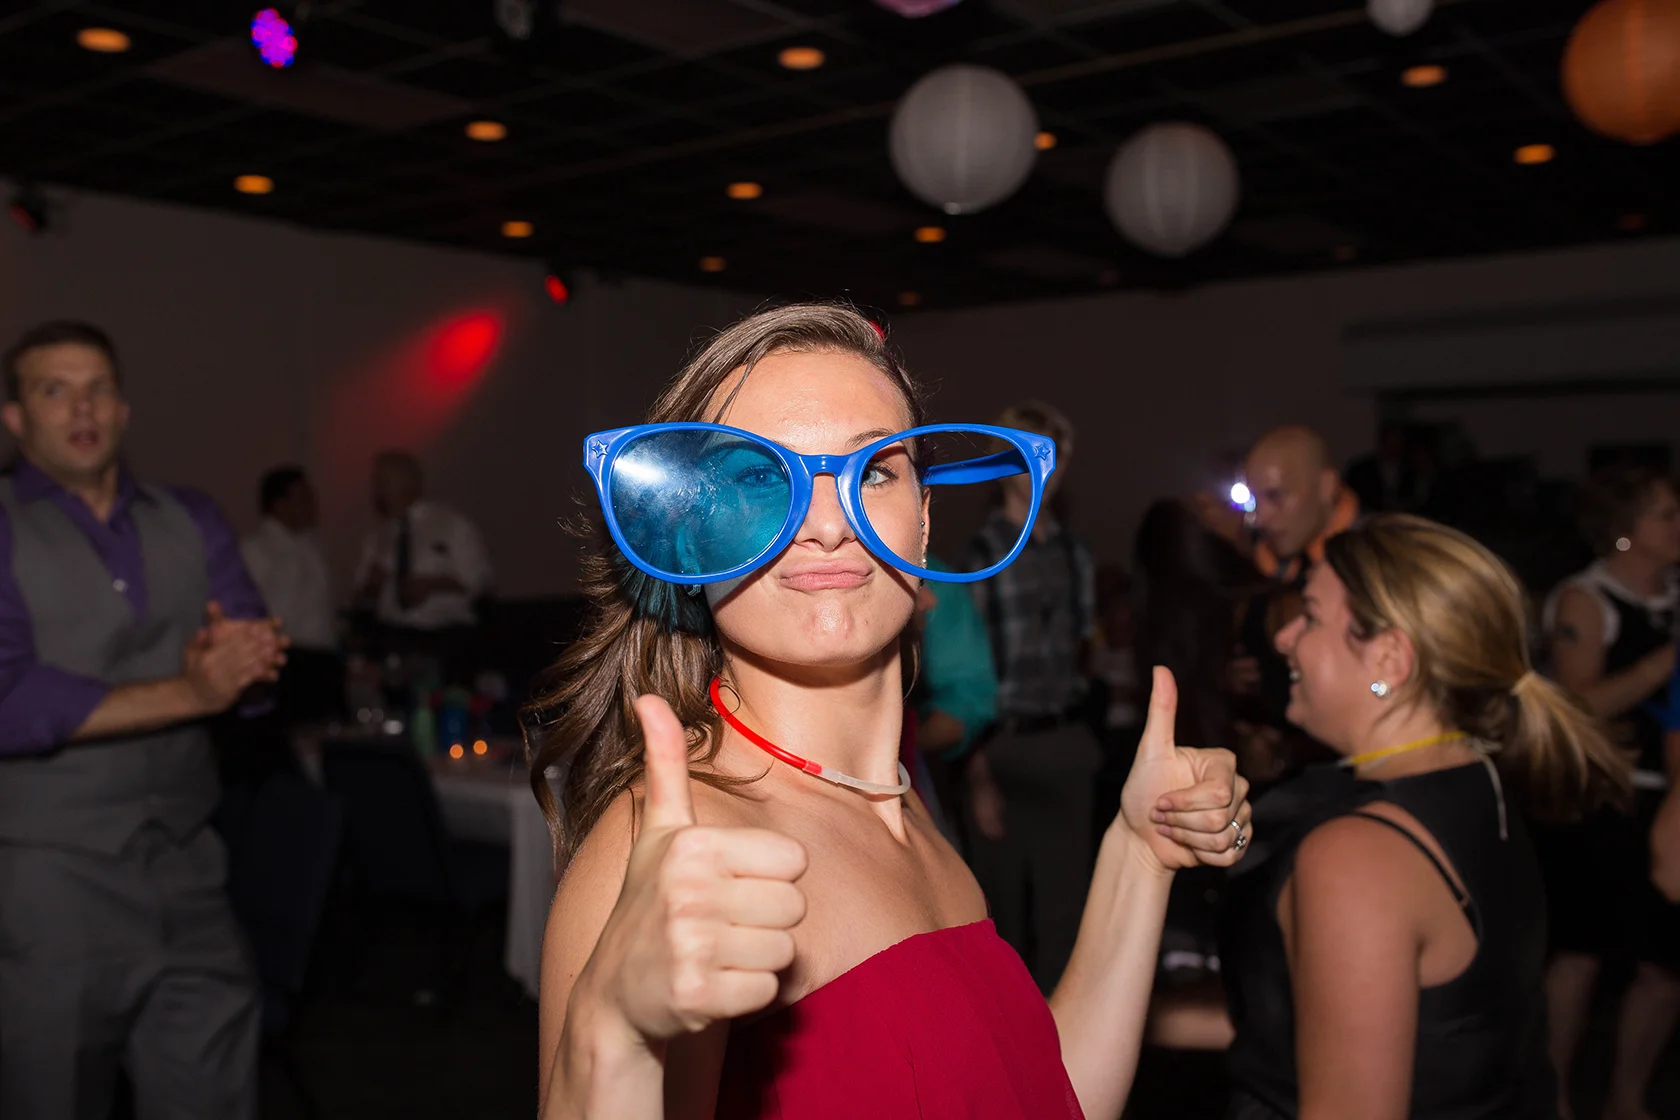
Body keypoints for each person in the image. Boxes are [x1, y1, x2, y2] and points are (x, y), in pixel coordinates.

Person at [527, 303, 1251, 1120]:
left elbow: (1036, 1096)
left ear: (924, 520)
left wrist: (1140, 854)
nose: (828, 522)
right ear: (692, 539)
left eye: (873, 470)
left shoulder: (900, 809)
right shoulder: (671, 845)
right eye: (761, 477)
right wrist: (613, 1036)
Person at [1213, 513, 1631, 1118]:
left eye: (1310, 616)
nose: (1284, 639)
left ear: (1388, 659)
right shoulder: (1480, 785)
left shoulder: (1358, 855)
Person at [0, 320, 287, 1119]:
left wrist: (246, 665)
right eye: (54, 390)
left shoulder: (189, 515)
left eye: (97, 388)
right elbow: (8, 700)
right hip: (49, 884)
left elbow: (252, 675)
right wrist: (190, 692)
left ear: (123, 409)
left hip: (191, 866)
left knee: (213, 1093)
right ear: (15, 419)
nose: (81, 407)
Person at [1541, 466, 1680, 1120]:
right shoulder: (1585, 599)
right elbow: (1577, 706)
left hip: (1670, 798)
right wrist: (1662, 663)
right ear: (1624, 531)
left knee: (1666, 966)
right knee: (1583, 954)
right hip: (1602, 801)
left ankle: (1628, 1098)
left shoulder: (1674, 595)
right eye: (1665, 515)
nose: (1678, 526)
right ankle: (1555, 1100)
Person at [961, 399, 1105, 991]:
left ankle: (1068, 1037)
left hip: (1064, 739)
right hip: (1001, 747)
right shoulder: (980, 556)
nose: (1046, 469)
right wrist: (977, 775)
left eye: (1055, 455)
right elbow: (965, 677)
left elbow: (1084, 648)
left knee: (1068, 915)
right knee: (999, 914)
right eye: (1028, 454)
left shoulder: (1075, 554)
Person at [353, 449, 493, 674]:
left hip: (446, 638)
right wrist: (373, 584)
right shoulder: (377, 535)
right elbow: (361, 595)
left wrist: (431, 584)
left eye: (385, 482)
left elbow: (479, 580)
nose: (379, 491)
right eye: (377, 483)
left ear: (410, 483)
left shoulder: (450, 524)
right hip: (393, 638)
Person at [242, 465, 342, 726]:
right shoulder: (256, 549)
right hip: (287, 659)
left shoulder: (311, 546)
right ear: (279, 505)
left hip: (323, 656)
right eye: (303, 498)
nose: (312, 505)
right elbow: (245, 609)